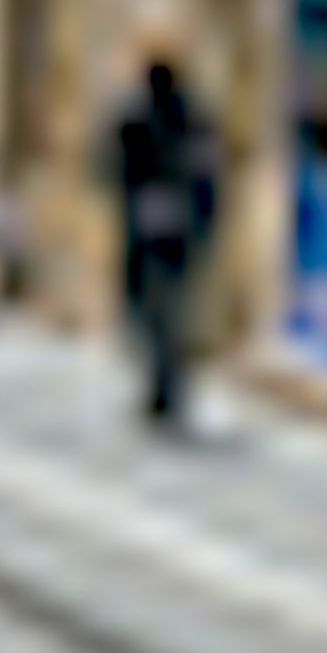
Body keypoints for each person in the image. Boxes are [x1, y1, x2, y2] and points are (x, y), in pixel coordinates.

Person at [105, 25, 223, 434]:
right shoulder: (190, 111)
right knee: (172, 305)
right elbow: (206, 165)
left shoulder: (135, 108)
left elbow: (114, 165)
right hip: (180, 221)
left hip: (147, 221)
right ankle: (169, 385)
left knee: (149, 307)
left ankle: (161, 387)